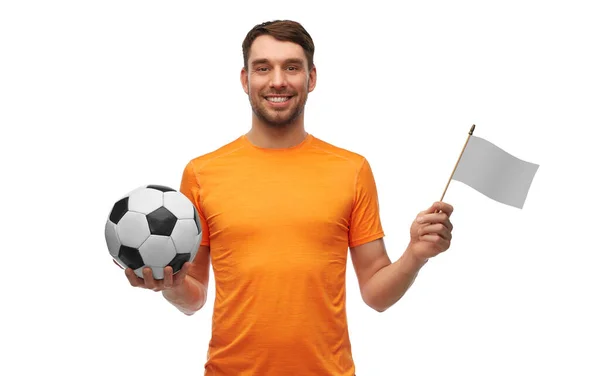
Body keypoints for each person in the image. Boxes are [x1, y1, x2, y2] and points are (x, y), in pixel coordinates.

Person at [121, 20, 454, 376]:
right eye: (263, 68)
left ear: (311, 78)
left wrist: (416, 255)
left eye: (291, 67)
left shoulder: (352, 169)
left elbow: (376, 293)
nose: (277, 80)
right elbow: (196, 294)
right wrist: (171, 287)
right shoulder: (202, 173)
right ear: (245, 79)